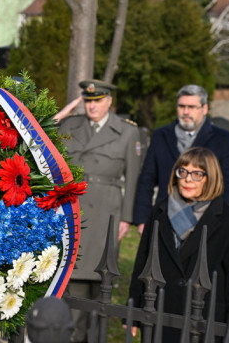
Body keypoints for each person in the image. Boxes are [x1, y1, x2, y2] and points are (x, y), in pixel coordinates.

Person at [128, 147, 229, 341]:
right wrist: (133, 311)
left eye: (197, 174)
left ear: (211, 178)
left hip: (206, 320)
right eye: (182, 171)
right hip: (160, 312)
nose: (187, 179)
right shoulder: (159, 210)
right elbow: (142, 262)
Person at [58, 79, 142, 342]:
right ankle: (72, 333)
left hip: (107, 211)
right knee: (73, 278)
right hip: (74, 209)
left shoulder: (127, 132)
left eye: (97, 101)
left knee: (102, 280)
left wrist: (127, 218)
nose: (92, 106)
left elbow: (134, 177)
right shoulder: (70, 125)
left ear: (109, 102)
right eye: (88, 101)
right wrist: (61, 115)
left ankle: (95, 336)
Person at [133, 84, 229, 233]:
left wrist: (225, 221)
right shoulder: (161, 135)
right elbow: (147, 179)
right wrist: (142, 219)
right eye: (181, 106)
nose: (185, 112)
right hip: (166, 218)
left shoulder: (223, 139)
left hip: (206, 221)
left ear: (204, 109)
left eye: (191, 107)